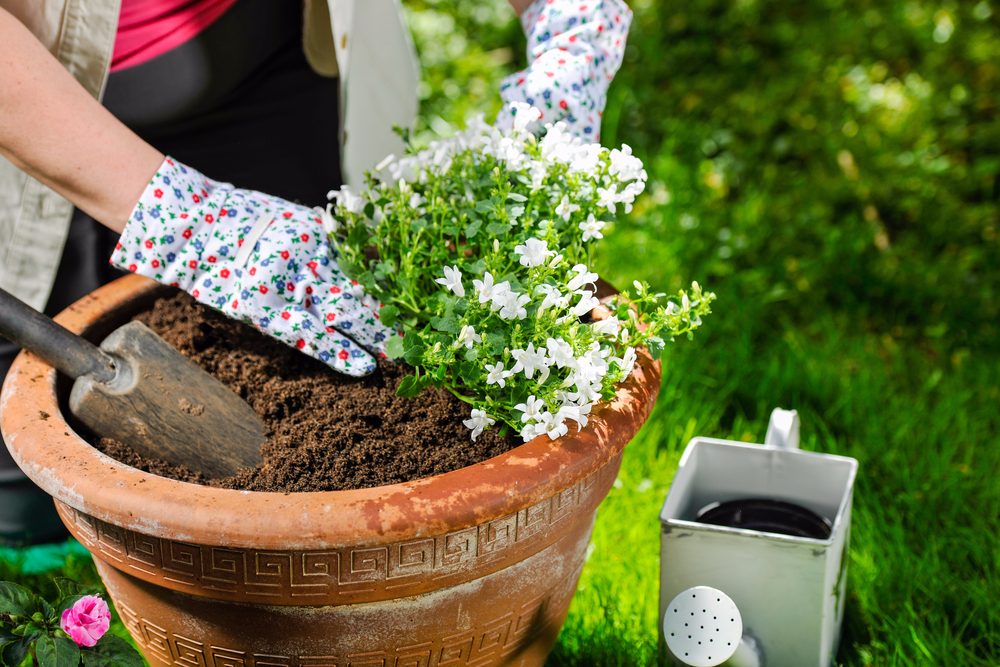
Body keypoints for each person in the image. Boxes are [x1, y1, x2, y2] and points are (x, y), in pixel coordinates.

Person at [0, 0, 631, 543]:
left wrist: (572, 24)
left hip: (264, 51)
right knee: (27, 471)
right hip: (30, 99)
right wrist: (194, 219)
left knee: (315, 303)